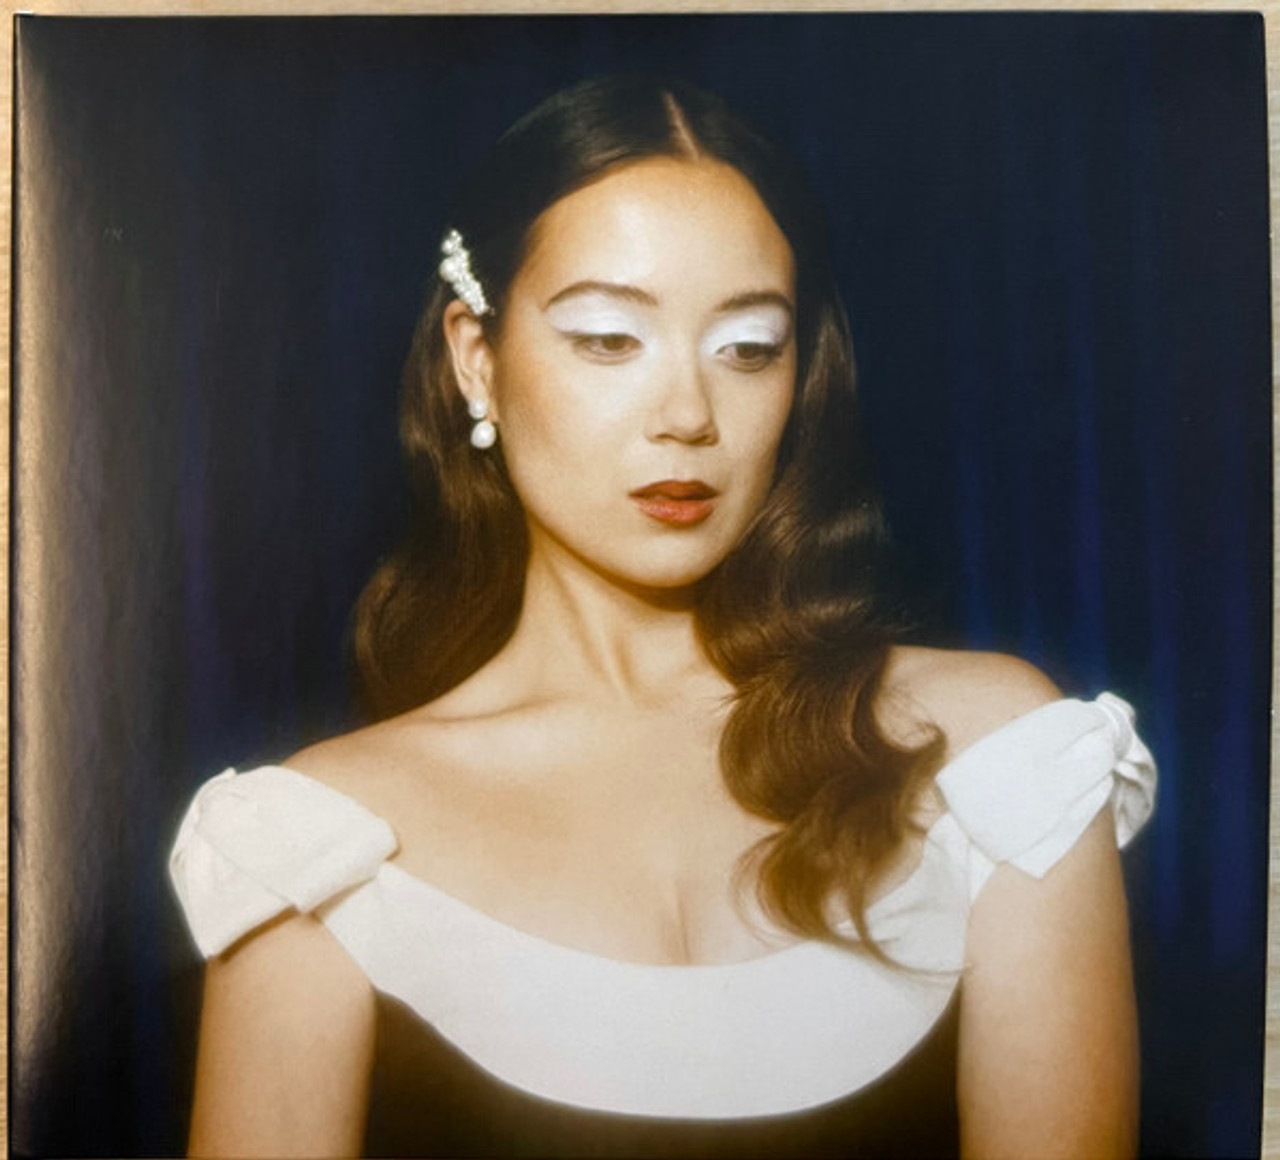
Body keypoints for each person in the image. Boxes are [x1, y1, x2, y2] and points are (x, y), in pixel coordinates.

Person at [169, 74, 1156, 1158]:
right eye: (607, 338)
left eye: (748, 347)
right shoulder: (319, 843)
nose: (687, 415)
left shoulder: (998, 764)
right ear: (475, 360)